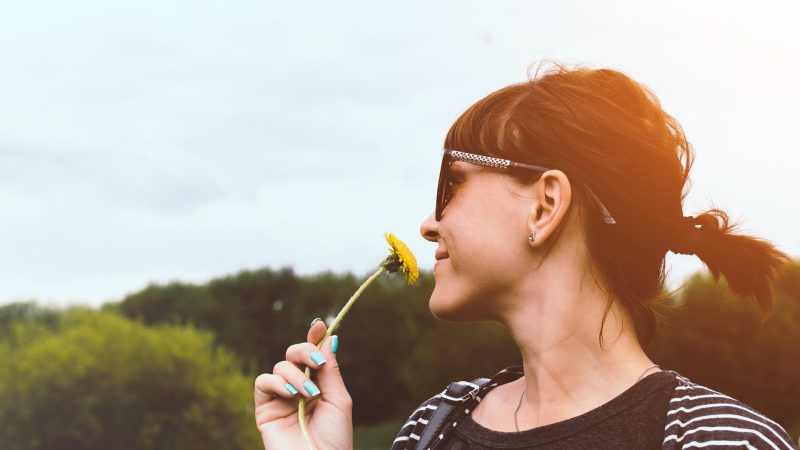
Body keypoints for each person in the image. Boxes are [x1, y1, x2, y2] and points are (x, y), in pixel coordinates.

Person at [253, 61, 798, 450]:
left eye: (451, 185)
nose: (427, 223)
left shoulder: (723, 441)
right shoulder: (431, 428)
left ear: (545, 205)